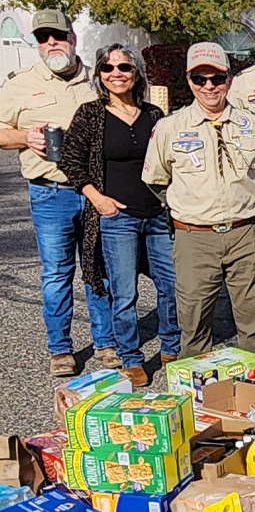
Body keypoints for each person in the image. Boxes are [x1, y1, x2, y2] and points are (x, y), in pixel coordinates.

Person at [142, 42, 255, 358]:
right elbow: (155, 181)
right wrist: (191, 207)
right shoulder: (169, 128)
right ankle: (198, 392)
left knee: (254, 320)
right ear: (189, 80)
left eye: (217, 78)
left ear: (229, 79)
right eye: (199, 79)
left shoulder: (253, 125)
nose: (209, 87)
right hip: (195, 238)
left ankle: (253, 391)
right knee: (193, 320)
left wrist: (248, 208)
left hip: (245, 234)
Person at [0, 9, 115, 377]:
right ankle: (60, 348)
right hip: (50, 192)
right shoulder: (19, 84)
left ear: (73, 37)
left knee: (98, 267)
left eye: (58, 35)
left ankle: (106, 342)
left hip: (97, 190)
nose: (52, 43)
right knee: (56, 273)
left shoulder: (98, 79)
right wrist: (24, 137)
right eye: (43, 37)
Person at [60, 44, 179, 386]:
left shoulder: (155, 115)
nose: (116, 74)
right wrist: (96, 198)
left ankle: (171, 345)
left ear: (136, 73)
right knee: (125, 292)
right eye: (108, 69)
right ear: (99, 75)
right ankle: (130, 357)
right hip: (116, 218)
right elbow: (70, 160)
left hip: (157, 214)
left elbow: (170, 160)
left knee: (170, 285)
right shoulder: (90, 114)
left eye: (124, 68)